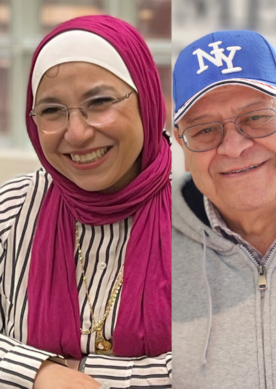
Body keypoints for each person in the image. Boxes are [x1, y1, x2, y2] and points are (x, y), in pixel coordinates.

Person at [0, 15, 172, 389]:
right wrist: (41, 373)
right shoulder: (12, 210)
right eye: (50, 111)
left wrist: (78, 376)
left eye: (100, 102)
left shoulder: (204, 211)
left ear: (146, 98)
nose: (76, 133)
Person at [170, 30, 276, 387]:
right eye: (204, 130)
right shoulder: (149, 245)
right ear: (182, 147)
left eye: (256, 117)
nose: (234, 147)